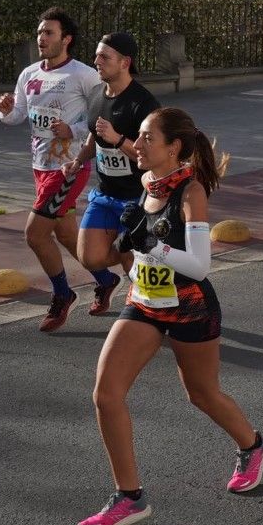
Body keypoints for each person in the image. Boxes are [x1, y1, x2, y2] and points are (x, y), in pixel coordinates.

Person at [77, 107, 263, 525]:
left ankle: (253, 445)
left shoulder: (190, 192)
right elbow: (140, 255)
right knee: (106, 393)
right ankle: (129, 497)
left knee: (202, 395)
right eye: (139, 137)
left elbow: (199, 266)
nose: (137, 145)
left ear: (174, 147)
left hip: (190, 307)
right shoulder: (146, 183)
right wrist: (128, 247)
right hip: (144, 302)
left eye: (146, 138)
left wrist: (149, 243)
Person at [0, 7, 106, 332]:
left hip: (70, 167)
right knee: (66, 233)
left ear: (66, 39)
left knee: (35, 234)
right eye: (40, 33)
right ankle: (105, 278)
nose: (41, 39)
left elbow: (104, 114)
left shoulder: (84, 75)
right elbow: (17, 116)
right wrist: (4, 110)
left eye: (49, 33)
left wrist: (73, 130)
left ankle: (62, 294)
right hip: (40, 166)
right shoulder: (29, 74)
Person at [64, 32, 160, 316]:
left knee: (136, 267)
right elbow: (95, 136)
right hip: (105, 194)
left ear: (124, 62)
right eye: (96, 55)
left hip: (138, 198)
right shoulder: (96, 95)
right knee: (89, 257)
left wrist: (119, 139)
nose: (96, 61)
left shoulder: (144, 104)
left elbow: (152, 156)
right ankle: (126, 256)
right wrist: (78, 160)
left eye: (104, 57)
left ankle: (155, 311)